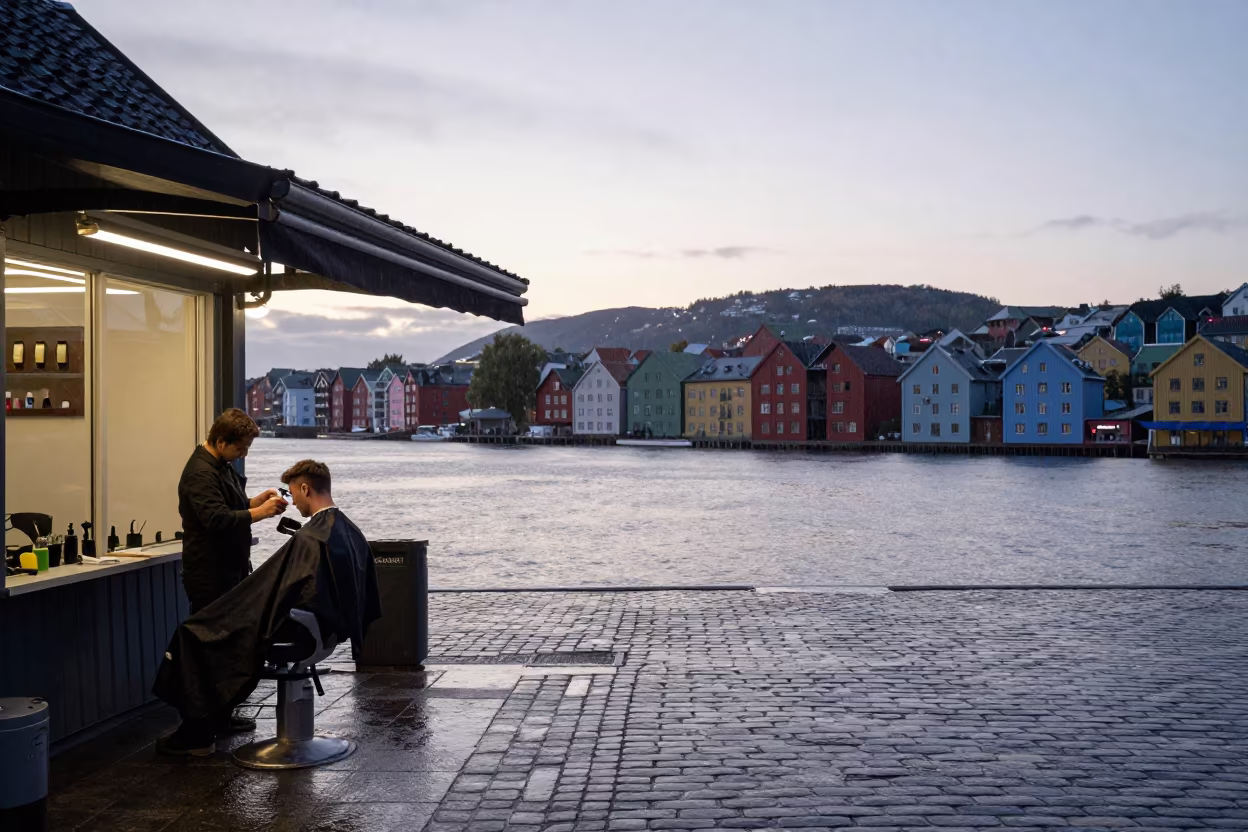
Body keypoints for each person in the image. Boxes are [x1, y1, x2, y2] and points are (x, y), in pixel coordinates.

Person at [154, 459, 379, 757]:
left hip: (299, 629)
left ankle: (196, 734)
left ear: (304, 488)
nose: (292, 501)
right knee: (213, 631)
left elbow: (277, 593)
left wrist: (247, 609)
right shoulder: (345, 531)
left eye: (292, 493)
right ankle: (212, 721)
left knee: (194, 633)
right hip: (324, 628)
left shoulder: (313, 537)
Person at [178, 408, 287, 613]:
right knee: (214, 637)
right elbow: (217, 518)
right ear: (221, 442)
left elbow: (227, 505)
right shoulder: (200, 475)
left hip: (229, 569)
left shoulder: (222, 465)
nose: (243, 454)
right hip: (210, 575)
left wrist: (254, 502)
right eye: (240, 448)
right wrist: (262, 511)